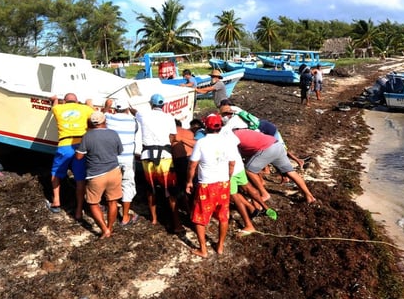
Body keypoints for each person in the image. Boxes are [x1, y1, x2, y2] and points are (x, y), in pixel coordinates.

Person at [186, 112, 236, 257]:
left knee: (199, 217)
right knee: (223, 215)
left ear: (205, 127)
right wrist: (228, 178)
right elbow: (232, 163)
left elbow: (192, 165)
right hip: (223, 183)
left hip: (206, 184)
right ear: (220, 127)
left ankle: (203, 249)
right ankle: (220, 246)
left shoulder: (201, 142)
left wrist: (189, 181)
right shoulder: (227, 141)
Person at [136, 93, 182, 233]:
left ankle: (154, 218)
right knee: (170, 191)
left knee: (151, 190)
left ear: (151, 104)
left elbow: (135, 112)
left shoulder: (142, 115)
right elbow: (173, 137)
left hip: (147, 157)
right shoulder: (169, 117)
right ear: (163, 105)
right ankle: (176, 223)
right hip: (165, 158)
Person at [233, 127, 317, 204]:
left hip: (267, 149)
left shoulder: (231, 137)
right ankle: (309, 196)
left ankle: (264, 194)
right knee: (291, 172)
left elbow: (235, 157)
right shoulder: (242, 131)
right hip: (277, 145)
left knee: (249, 170)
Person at [75, 111, 123, 238]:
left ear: (92, 123)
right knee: (113, 201)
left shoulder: (87, 136)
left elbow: (79, 156)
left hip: (95, 175)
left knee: (93, 203)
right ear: (104, 121)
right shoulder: (113, 133)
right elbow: (119, 151)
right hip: (114, 171)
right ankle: (110, 227)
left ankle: (104, 229)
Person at [49, 92, 95, 219]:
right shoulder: (85, 109)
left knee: (56, 173)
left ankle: (56, 201)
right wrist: (89, 103)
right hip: (81, 145)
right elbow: (95, 114)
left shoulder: (58, 109)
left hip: (64, 145)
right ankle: (79, 210)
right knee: (80, 179)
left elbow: (54, 103)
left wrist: (54, 99)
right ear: (77, 101)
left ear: (65, 101)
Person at [104, 100, 142, 225]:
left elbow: (102, 114)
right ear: (127, 110)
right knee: (127, 184)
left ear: (114, 109)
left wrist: (107, 106)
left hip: (112, 158)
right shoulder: (133, 121)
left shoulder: (108, 118)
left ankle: (110, 210)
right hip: (127, 158)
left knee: (111, 185)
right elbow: (138, 119)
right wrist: (133, 111)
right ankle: (125, 217)